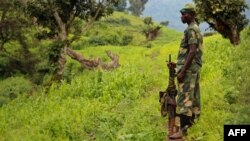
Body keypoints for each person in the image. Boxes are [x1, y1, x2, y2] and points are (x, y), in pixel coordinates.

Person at [169, 3, 203, 140]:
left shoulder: (190, 30)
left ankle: (183, 130)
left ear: (192, 15)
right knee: (193, 96)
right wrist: (178, 64)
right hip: (193, 68)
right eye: (182, 13)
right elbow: (190, 52)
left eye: (185, 14)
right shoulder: (196, 28)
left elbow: (193, 51)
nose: (182, 16)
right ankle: (192, 123)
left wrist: (182, 71)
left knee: (184, 98)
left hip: (188, 70)